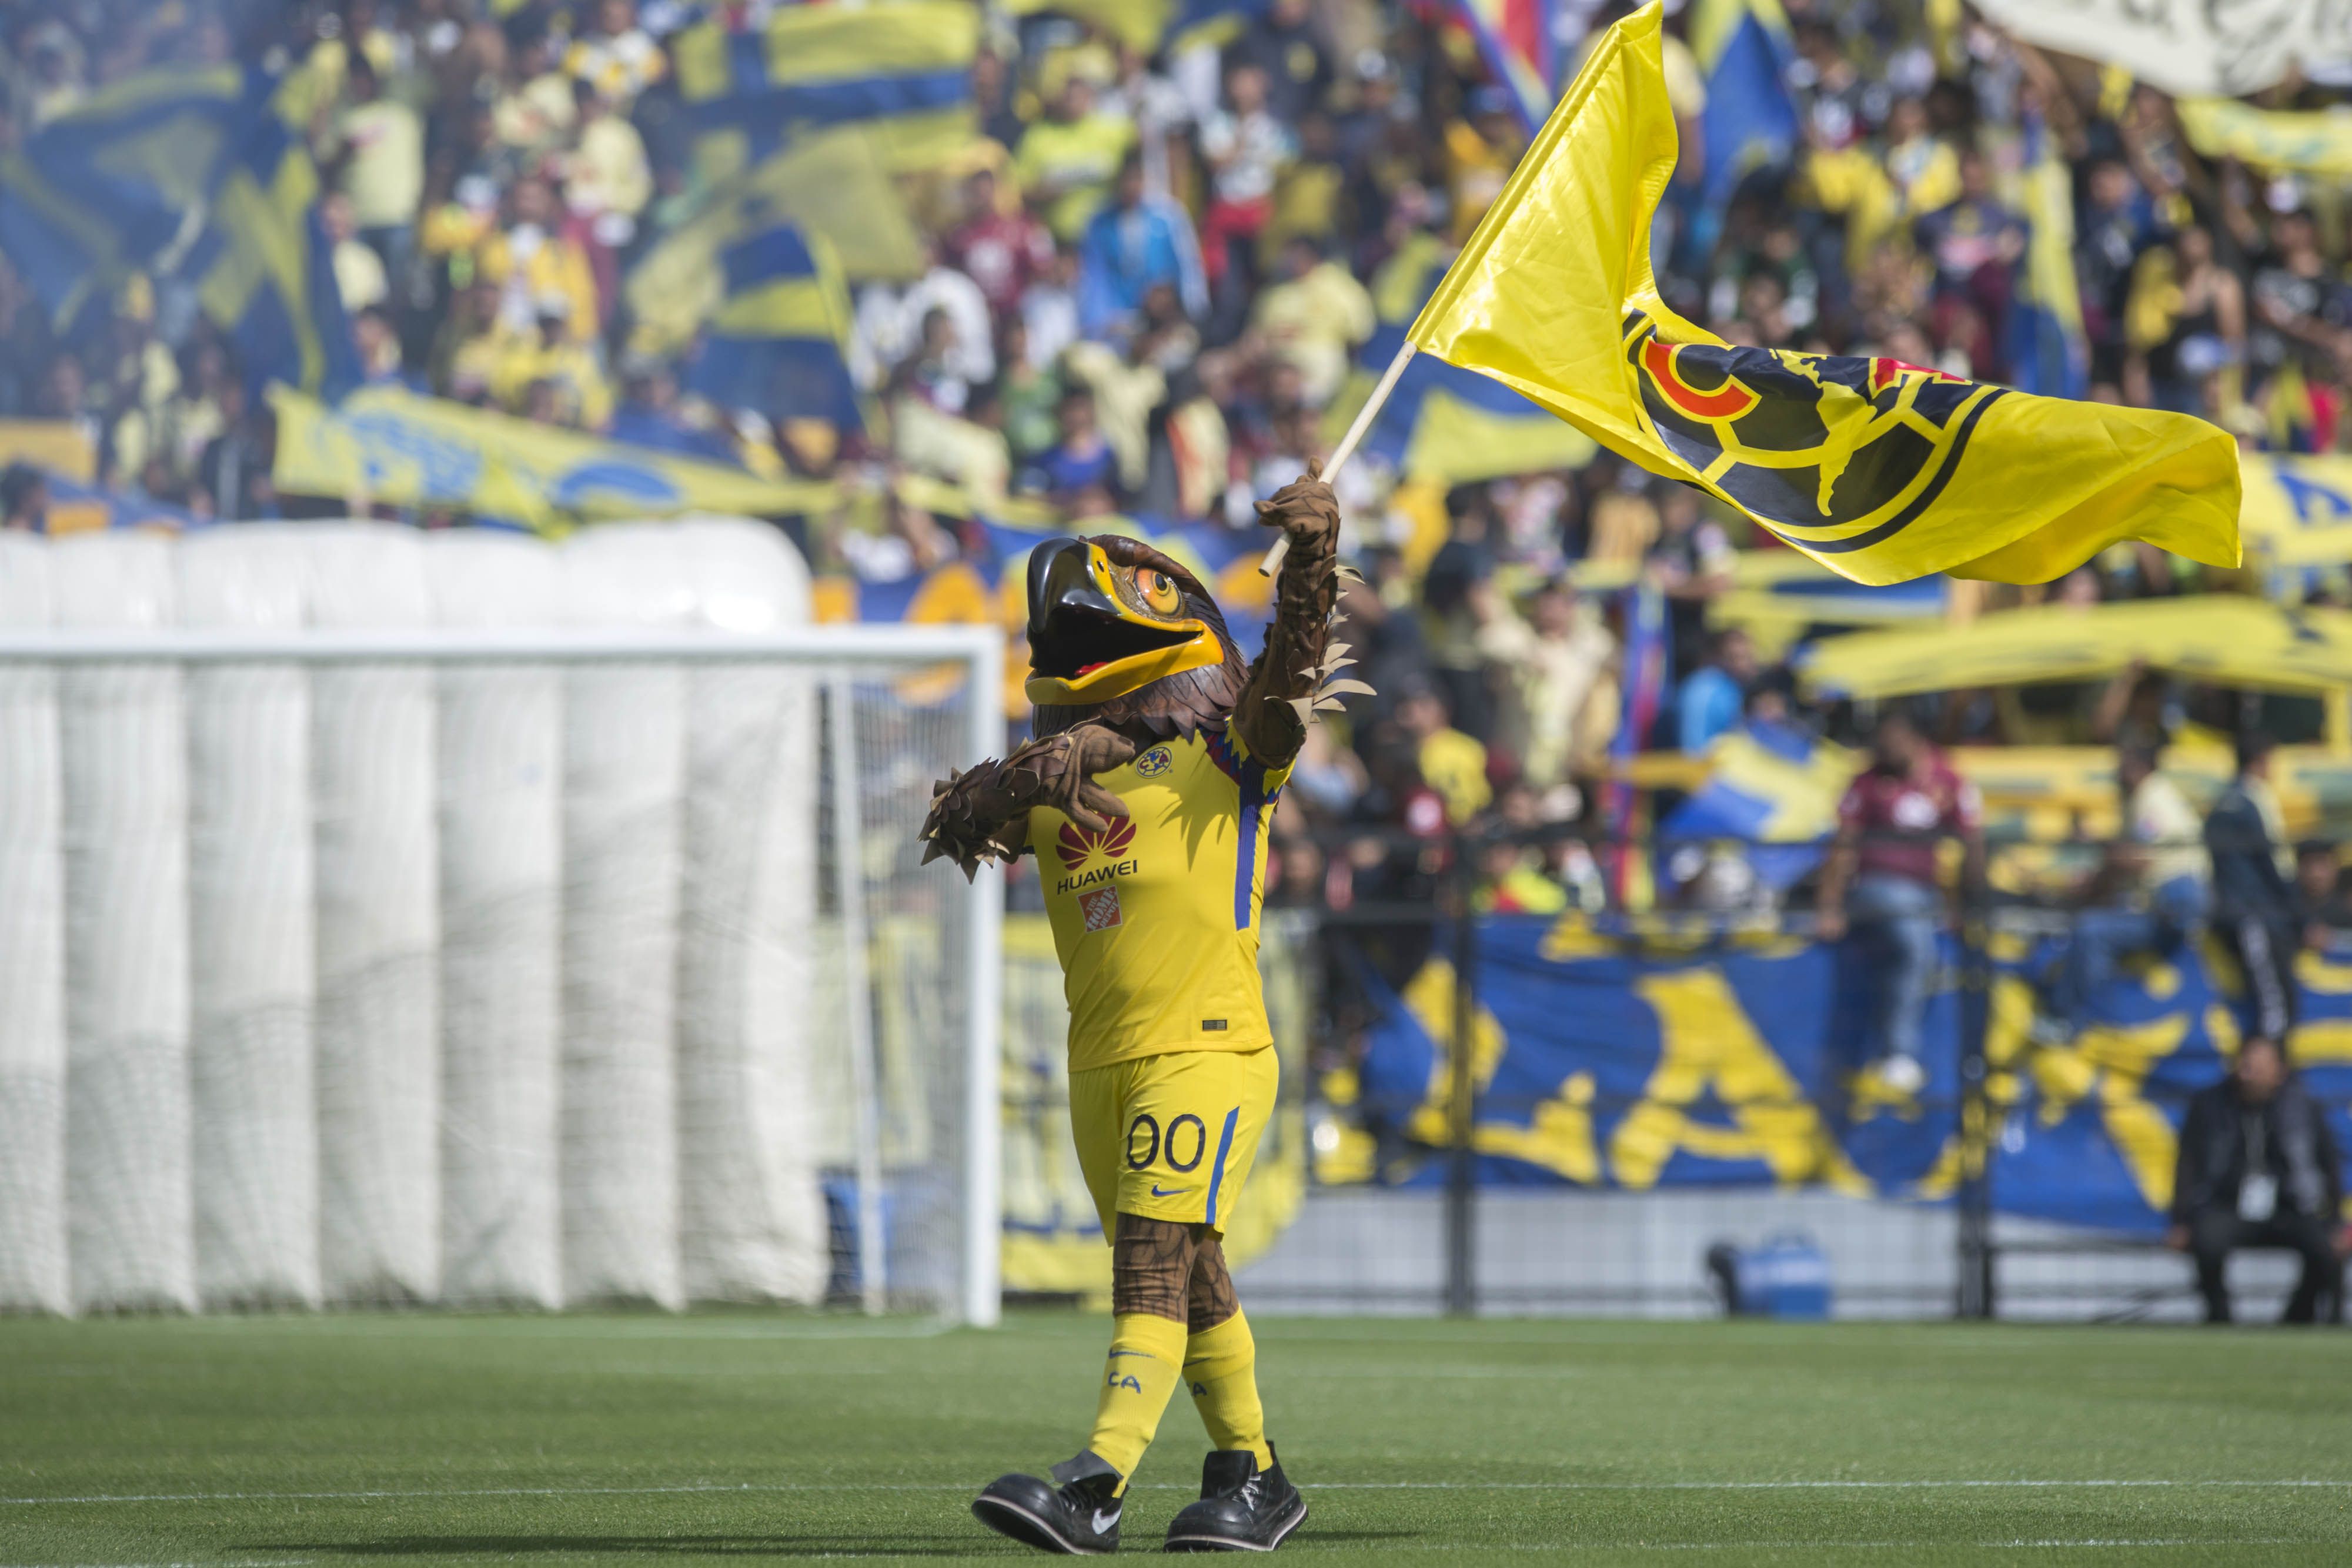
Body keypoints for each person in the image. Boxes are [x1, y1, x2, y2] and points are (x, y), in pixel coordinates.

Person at [923, 471, 1344, 1554]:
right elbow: (955, 820)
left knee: (1151, 1258)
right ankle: (1253, 1477)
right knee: (1191, 1274)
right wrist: (1039, 769)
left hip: (1206, 1046)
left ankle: (1095, 1485)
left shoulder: (1230, 756)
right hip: (1098, 1062)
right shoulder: (1055, 778)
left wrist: (1311, 562)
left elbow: (1291, 678)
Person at [1817, 710, 1983, 1095]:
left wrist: (1967, 904)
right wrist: (1830, 905)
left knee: (1928, 946)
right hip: (1876, 887)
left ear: (1913, 737)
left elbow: (1972, 843)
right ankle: (1898, 1052)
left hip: (1927, 893)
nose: (1885, 746)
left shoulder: (1948, 779)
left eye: (1892, 736)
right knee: (1913, 942)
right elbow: (1843, 844)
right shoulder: (1868, 781)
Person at [2167, 1037, 2347, 1324]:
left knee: (2323, 1247)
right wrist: (2180, 1221)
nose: (2250, 1072)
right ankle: (2220, 1319)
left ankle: (2297, 1319)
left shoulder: (2303, 1107)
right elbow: (2187, 1165)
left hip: (2289, 1207)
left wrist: (2336, 1222)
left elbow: (2328, 1165)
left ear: (2280, 1071)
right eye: (2247, 1064)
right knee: (2208, 1241)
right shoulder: (2210, 1105)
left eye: (2260, 1066)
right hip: (2226, 1206)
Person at [2043, 743, 2209, 1040]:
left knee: (2091, 931)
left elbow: (2139, 861)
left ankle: (2070, 1021)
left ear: (2138, 767)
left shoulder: (2153, 797)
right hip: (2159, 903)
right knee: (2095, 921)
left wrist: (2093, 842)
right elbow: (2123, 866)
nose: (2117, 771)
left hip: (2174, 905)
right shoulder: (2140, 802)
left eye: (2123, 763)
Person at [2205, 732, 2299, 1051]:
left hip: (2232, 914)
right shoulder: (2255, 800)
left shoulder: (2220, 802)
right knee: (2273, 1004)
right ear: (2261, 761)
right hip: (2258, 914)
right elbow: (2275, 862)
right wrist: (2296, 910)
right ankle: (2273, 1068)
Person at [1675, 626, 1755, 754]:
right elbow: (1694, 748)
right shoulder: (1703, 689)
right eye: (1735, 657)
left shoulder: (1735, 687)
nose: (1745, 664)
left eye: (1748, 656)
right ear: (1717, 657)